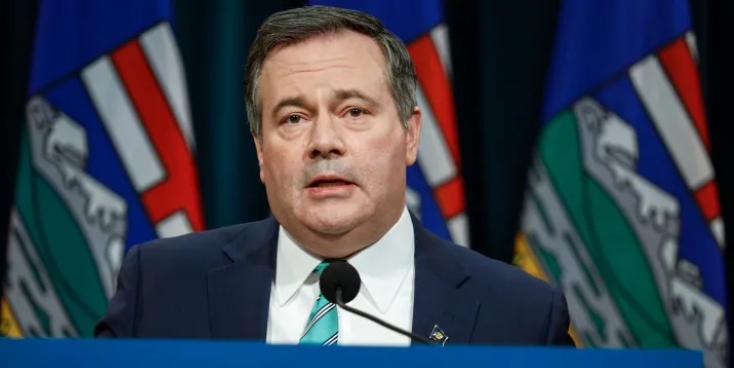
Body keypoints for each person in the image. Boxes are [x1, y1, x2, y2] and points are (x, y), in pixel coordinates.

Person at [94, 5, 574, 347]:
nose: (324, 141)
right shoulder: (160, 289)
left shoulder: (519, 317)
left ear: (410, 135)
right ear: (260, 150)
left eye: (354, 112)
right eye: (293, 118)